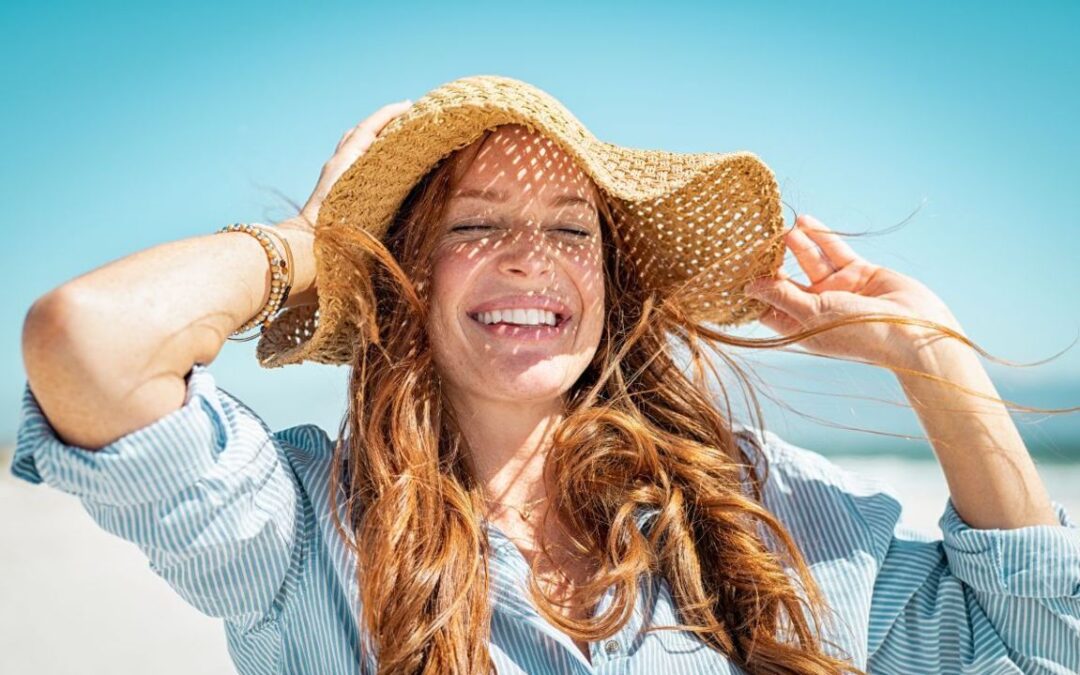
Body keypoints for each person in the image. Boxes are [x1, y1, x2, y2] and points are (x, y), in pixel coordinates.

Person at [14, 76, 1080, 675]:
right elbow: (90, 342)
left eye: (571, 232)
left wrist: (936, 365)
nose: (530, 257)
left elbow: (1035, 651)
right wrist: (312, 242)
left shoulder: (756, 509)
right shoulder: (301, 528)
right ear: (407, 284)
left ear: (608, 286)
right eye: (475, 228)